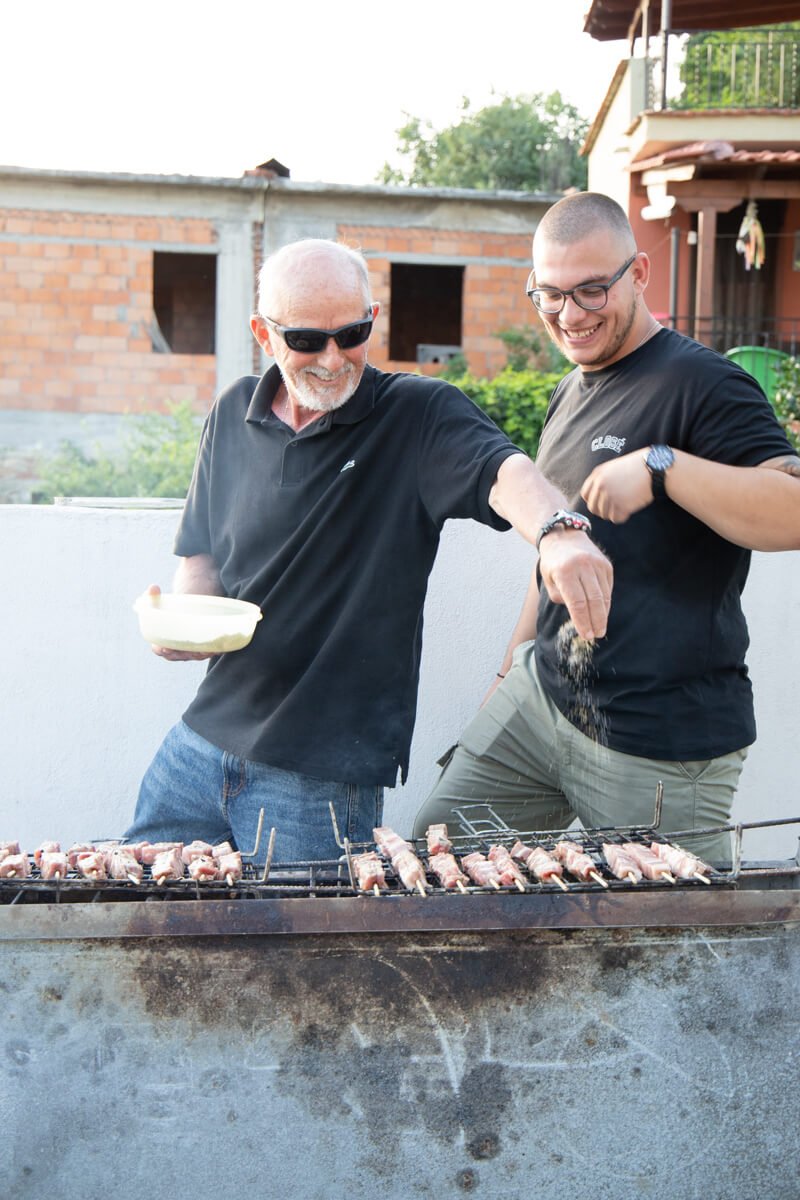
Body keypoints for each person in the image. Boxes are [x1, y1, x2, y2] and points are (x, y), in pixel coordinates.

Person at [125, 238, 612, 862]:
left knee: (308, 956)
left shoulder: (417, 414)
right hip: (200, 741)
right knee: (140, 911)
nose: (332, 359)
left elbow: (506, 473)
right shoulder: (231, 413)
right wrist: (183, 624)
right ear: (262, 333)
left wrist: (559, 532)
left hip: (321, 774)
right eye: (305, 339)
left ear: (371, 319)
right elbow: (202, 557)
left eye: (351, 333)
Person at [412, 192, 800, 863]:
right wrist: (513, 662)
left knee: (661, 951)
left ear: (640, 273)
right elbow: (560, 541)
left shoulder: (706, 385)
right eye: (550, 295)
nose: (570, 315)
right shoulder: (570, 389)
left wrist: (661, 466)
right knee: (438, 861)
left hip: (661, 742)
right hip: (543, 701)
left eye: (593, 290)